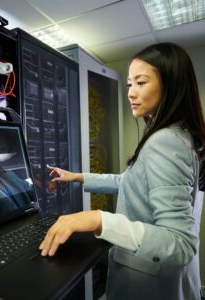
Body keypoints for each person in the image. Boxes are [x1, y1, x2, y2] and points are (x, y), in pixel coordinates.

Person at [39, 43, 205, 300]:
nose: (131, 93)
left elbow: (180, 243)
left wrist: (99, 219)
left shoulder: (165, 141)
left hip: (149, 287)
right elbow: (130, 181)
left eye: (141, 82)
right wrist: (78, 177)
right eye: (129, 84)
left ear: (170, 85)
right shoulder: (179, 134)